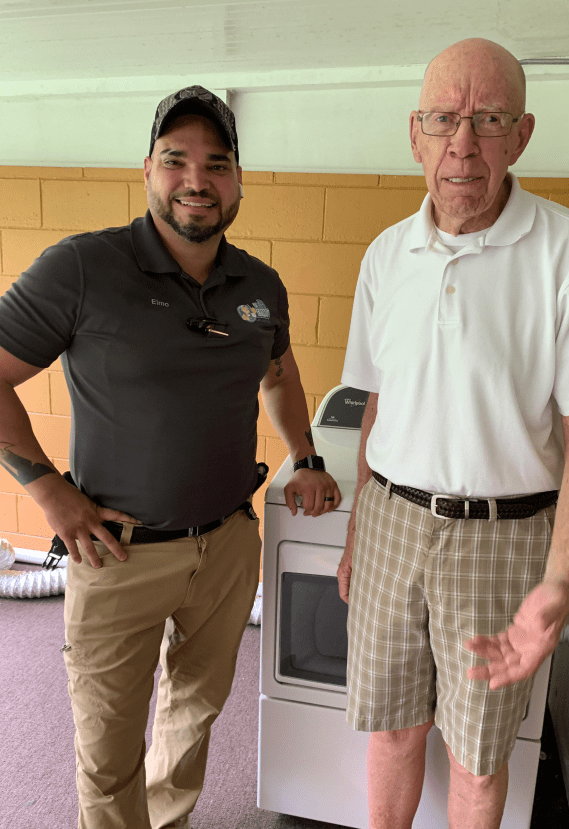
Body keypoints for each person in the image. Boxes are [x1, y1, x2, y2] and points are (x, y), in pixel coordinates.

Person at [0, 86, 340, 829]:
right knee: (109, 741)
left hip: (224, 547)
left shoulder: (259, 285)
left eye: (217, 164)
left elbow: (278, 374)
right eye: (176, 160)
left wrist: (306, 453)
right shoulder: (83, 269)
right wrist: (46, 488)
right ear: (147, 169)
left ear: (239, 180)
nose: (197, 180)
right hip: (117, 554)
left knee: (194, 711)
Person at [337, 38, 569, 829]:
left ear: (521, 134)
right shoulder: (386, 255)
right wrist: (361, 527)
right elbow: (378, 404)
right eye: (444, 119)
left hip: (504, 538)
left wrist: (561, 581)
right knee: (393, 728)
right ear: (415, 133)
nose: (463, 143)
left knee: (477, 757)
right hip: (392, 519)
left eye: (488, 119)